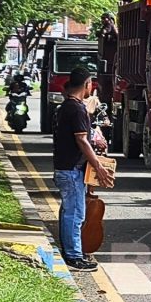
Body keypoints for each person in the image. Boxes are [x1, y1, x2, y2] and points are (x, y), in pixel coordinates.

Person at [53, 67, 112, 272]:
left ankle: (72, 252)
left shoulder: (69, 107)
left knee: (71, 211)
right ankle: (73, 256)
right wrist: (98, 166)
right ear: (87, 84)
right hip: (70, 170)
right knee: (75, 213)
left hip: (67, 169)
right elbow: (82, 140)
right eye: (90, 84)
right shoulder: (76, 109)